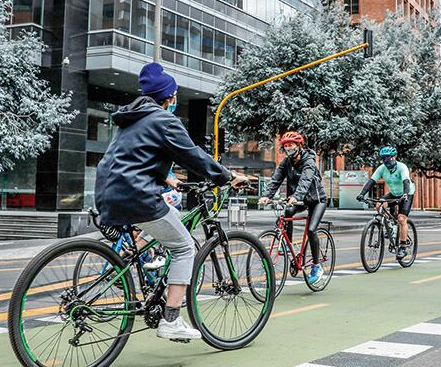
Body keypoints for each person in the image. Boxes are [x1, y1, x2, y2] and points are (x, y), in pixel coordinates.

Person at [94, 62, 249, 341]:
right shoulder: (164, 120)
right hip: (137, 196)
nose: (175, 100)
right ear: (169, 97)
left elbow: (137, 159)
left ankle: (147, 282)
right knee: (184, 247)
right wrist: (228, 176)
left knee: (162, 228)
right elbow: (193, 155)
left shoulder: (130, 121)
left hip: (107, 193)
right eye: (174, 95)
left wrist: (166, 178)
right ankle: (171, 320)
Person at [258, 131, 327, 284]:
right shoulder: (286, 162)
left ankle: (316, 266)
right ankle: (287, 245)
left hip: (317, 201)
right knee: (287, 212)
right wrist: (267, 196)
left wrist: (297, 196)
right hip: (298, 201)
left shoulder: (309, 161)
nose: (288, 148)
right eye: (286, 145)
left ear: (299, 145)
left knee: (311, 229)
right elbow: (276, 179)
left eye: (291, 145)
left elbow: (305, 181)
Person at [356, 146, 414, 258]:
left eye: (388, 157)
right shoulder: (382, 168)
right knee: (379, 205)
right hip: (393, 193)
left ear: (394, 157)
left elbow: (406, 181)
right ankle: (391, 229)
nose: (386, 160)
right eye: (383, 158)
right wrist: (362, 194)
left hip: (406, 193)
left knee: (402, 219)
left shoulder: (402, 167)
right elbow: (371, 182)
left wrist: (406, 194)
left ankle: (403, 246)